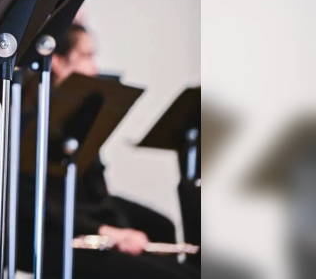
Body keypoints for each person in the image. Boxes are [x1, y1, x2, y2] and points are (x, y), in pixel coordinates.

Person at [14, 23, 196, 278]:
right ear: (56, 61)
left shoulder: (79, 112)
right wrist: (109, 231)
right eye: (86, 56)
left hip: (86, 218)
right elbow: (33, 203)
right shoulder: (28, 120)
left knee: (163, 232)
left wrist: (119, 228)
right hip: (55, 234)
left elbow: (95, 191)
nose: (95, 68)